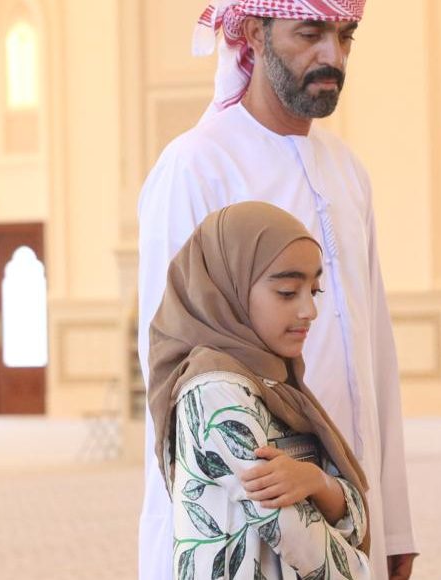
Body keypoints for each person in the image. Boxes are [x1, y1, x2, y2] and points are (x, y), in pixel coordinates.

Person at [136, 2, 417, 580]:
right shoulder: (196, 166)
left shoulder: (347, 170)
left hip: (345, 504)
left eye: (345, 36)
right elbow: (173, 358)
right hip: (243, 515)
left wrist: (393, 524)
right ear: (254, 34)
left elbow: (376, 357)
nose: (332, 56)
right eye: (309, 33)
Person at [149, 202, 370, 579]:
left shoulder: (276, 382)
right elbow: (291, 528)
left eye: (313, 290)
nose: (309, 310)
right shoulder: (215, 388)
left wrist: (316, 481)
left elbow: (355, 514)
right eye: (287, 292)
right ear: (228, 287)